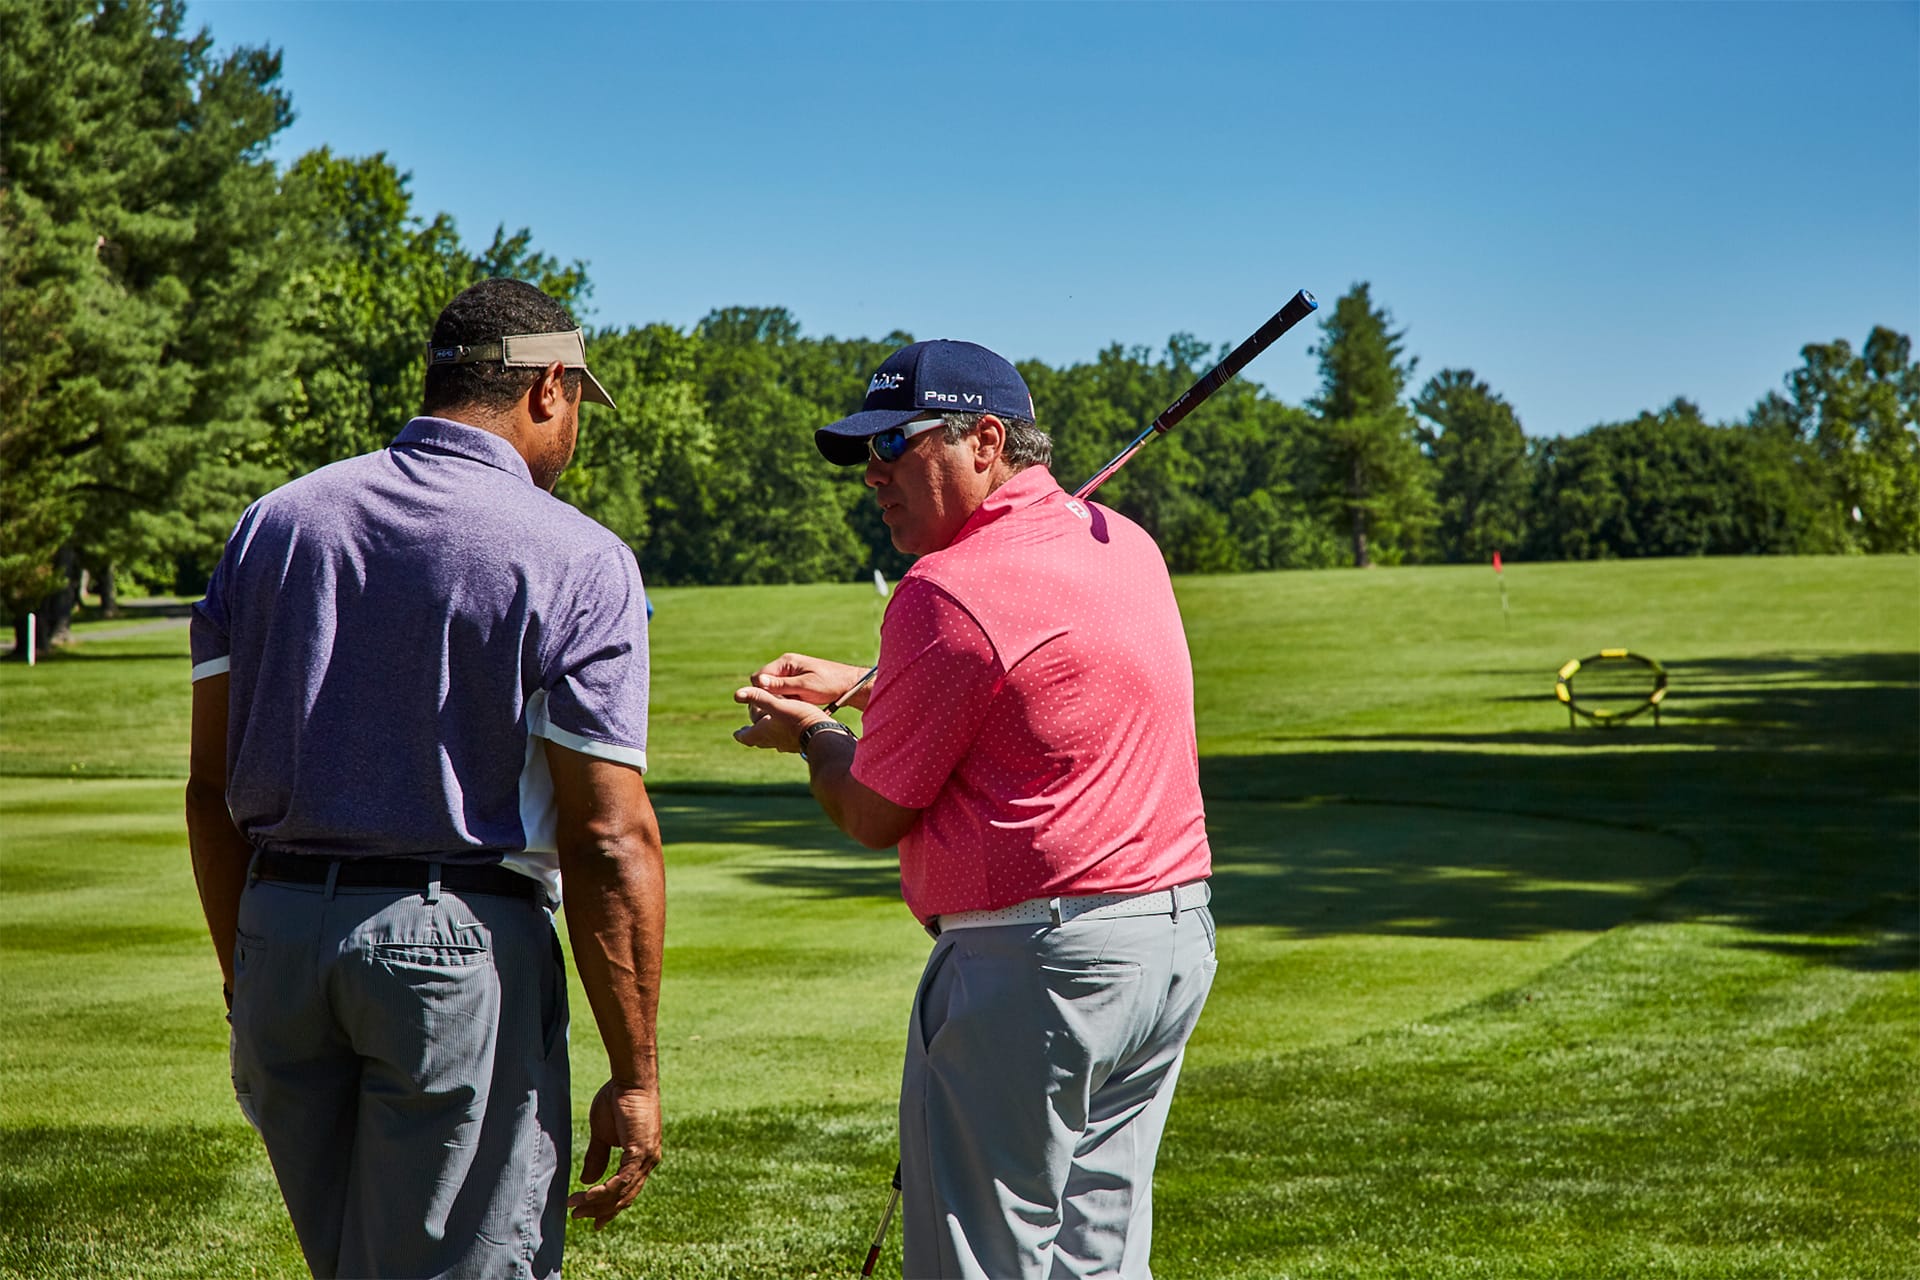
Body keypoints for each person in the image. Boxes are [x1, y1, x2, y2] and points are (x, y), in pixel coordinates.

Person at [185, 278, 664, 1280]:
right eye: (576, 400)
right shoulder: (580, 555)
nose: (574, 426)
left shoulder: (273, 524)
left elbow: (209, 788)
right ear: (546, 387)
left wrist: (250, 970)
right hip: (455, 945)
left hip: (279, 937)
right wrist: (635, 1071)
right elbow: (609, 837)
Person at [732, 339, 1217, 1280]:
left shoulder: (943, 591)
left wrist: (812, 739)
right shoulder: (1121, 543)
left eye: (894, 447)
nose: (872, 477)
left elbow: (874, 811)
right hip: (1167, 948)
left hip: (1036, 968)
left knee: (981, 1263)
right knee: (1100, 1265)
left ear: (985, 440)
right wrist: (873, 686)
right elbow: (1034, 690)